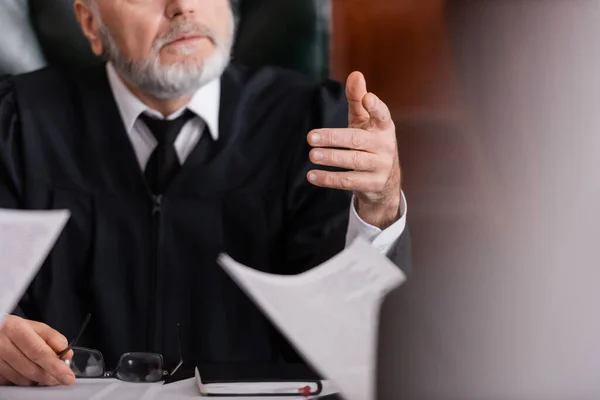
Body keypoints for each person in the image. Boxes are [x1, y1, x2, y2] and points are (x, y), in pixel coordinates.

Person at [0, 0, 411, 387]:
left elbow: (354, 327)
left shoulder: (317, 127)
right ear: (91, 23)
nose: (183, 6)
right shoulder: (15, 126)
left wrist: (380, 206)